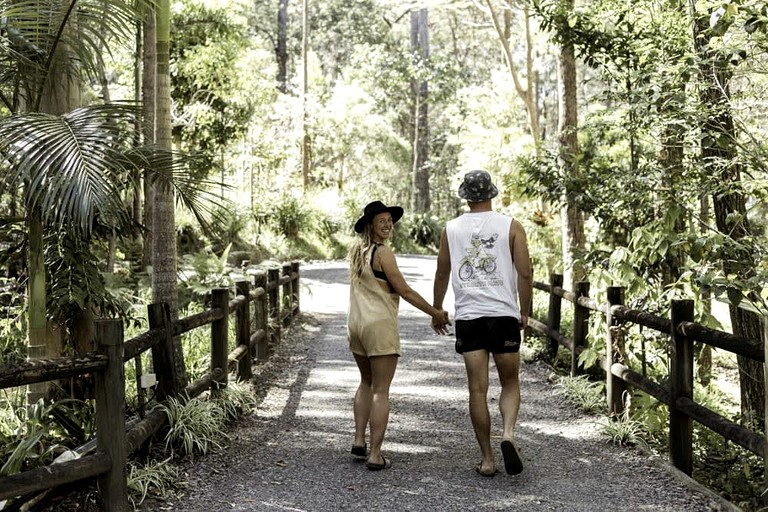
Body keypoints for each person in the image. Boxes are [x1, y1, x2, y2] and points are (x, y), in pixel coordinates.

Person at [432, 170, 532, 477]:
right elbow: (525, 272)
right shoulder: (511, 225)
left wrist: (437, 308)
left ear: (465, 195)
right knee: (510, 382)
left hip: (469, 317)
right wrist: (524, 312)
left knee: (477, 391)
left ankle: (487, 460)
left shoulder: (451, 228)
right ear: (492, 193)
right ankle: (509, 434)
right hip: (503, 315)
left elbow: (442, 271)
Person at [347, 200, 451, 471]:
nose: (387, 224)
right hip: (379, 326)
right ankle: (375, 454)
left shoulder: (358, 251)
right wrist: (434, 312)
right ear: (370, 224)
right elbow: (404, 291)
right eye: (381, 220)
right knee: (381, 390)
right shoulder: (383, 252)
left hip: (356, 325)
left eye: (389, 220)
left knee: (365, 381)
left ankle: (359, 440)